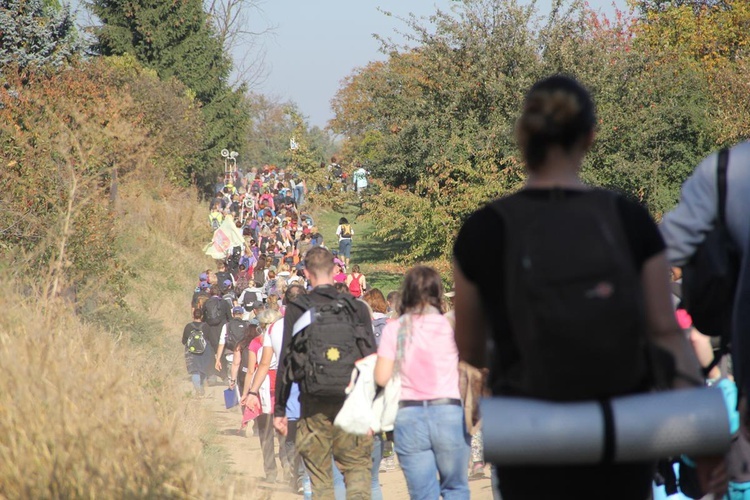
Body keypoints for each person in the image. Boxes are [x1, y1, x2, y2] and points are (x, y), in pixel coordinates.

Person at [452, 75, 721, 499]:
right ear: (591, 136)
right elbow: (665, 333)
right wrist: (704, 443)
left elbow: (468, 348)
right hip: (622, 432)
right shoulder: (628, 219)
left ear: (522, 136)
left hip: (529, 435)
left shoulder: (483, 230)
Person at [273, 247, 376, 499]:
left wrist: (280, 409)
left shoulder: (298, 308)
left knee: (320, 479)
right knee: (357, 471)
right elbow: (372, 358)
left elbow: (287, 359)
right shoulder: (357, 308)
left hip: (313, 402)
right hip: (352, 403)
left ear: (306, 273)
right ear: (335, 270)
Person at [374, 265, 469, 499]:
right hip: (449, 412)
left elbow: (381, 377)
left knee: (422, 494)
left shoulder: (394, 329)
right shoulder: (453, 325)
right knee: (455, 487)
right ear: (437, 292)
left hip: (410, 415)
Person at [182, 308, 214, 396]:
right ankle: (201, 386)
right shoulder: (206, 326)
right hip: (204, 351)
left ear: (193, 316)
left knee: (194, 370)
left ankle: (198, 388)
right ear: (202, 316)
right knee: (202, 369)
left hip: (191, 352)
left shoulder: (188, 326)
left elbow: (184, 341)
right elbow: (210, 340)